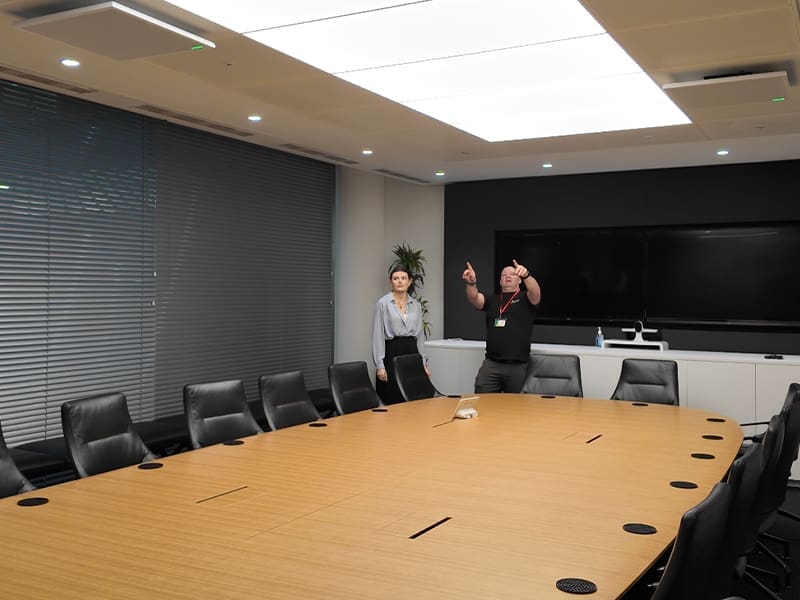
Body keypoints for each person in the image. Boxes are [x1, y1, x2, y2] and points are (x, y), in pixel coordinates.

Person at [462, 259, 541, 393]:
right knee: (483, 402)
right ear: (500, 281)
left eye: (513, 274)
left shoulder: (525, 298)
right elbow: (474, 298)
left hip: (518, 366)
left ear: (520, 280)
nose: (508, 276)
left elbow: (536, 293)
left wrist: (527, 275)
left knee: (517, 408)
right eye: (504, 275)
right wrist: (471, 282)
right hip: (492, 364)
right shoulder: (492, 300)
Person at [372, 266, 429, 404]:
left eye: (403, 278)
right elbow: (377, 335)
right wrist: (380, 365)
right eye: (396, 278)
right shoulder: (383, 303)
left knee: (412, 398)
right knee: (392, 396)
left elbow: (420, 336)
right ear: (391, 282)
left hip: (411, 352)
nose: (400, 281)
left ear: (409, 282)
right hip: (391, 351)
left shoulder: (416, 304)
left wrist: (424, 363)